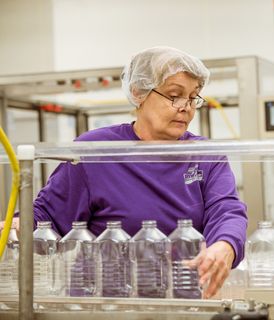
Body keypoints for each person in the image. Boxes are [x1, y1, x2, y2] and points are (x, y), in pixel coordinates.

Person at [0, 46, 247, 299]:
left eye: (193, 97)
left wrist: (224, 245)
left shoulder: (206, 155)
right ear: (138, 92)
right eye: (174, 95)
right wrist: (16, 226)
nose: (186, 107)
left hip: (178, 298)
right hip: (103, 302)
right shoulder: (95, 151)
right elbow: (47, 217)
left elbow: (227, 210)